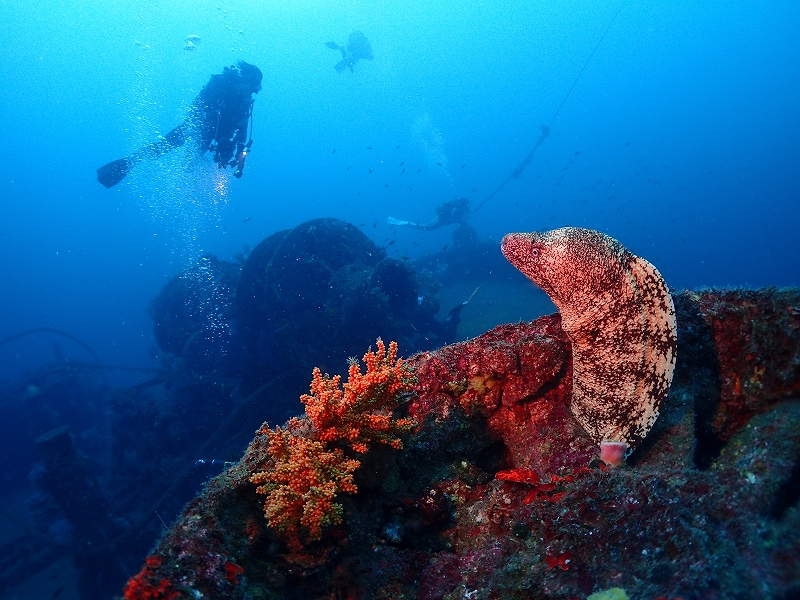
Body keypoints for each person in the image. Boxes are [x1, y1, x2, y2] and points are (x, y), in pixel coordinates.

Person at [97, 61, 262, 188]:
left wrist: (239, 160)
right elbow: (200, 108)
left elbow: (242, 134)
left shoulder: (244, 102)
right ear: (246, 79)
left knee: (187, 162)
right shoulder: (222, 86)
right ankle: (127, 164)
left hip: (210, 132)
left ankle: (176, 186)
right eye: (255, 85)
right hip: (196, 126)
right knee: (164, 147)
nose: (256, 90)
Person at [387, 197, 471, 231]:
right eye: (466, 207)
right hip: (443, 217)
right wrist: (460, 222)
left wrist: (460, 221)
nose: (466, 209)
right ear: (463, 204)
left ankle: (401, 222)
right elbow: (450, 220)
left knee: (426, 227)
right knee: (426, 227)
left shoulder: (458, 206)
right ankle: (403, 223)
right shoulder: (456, 207)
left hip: (443, 215)